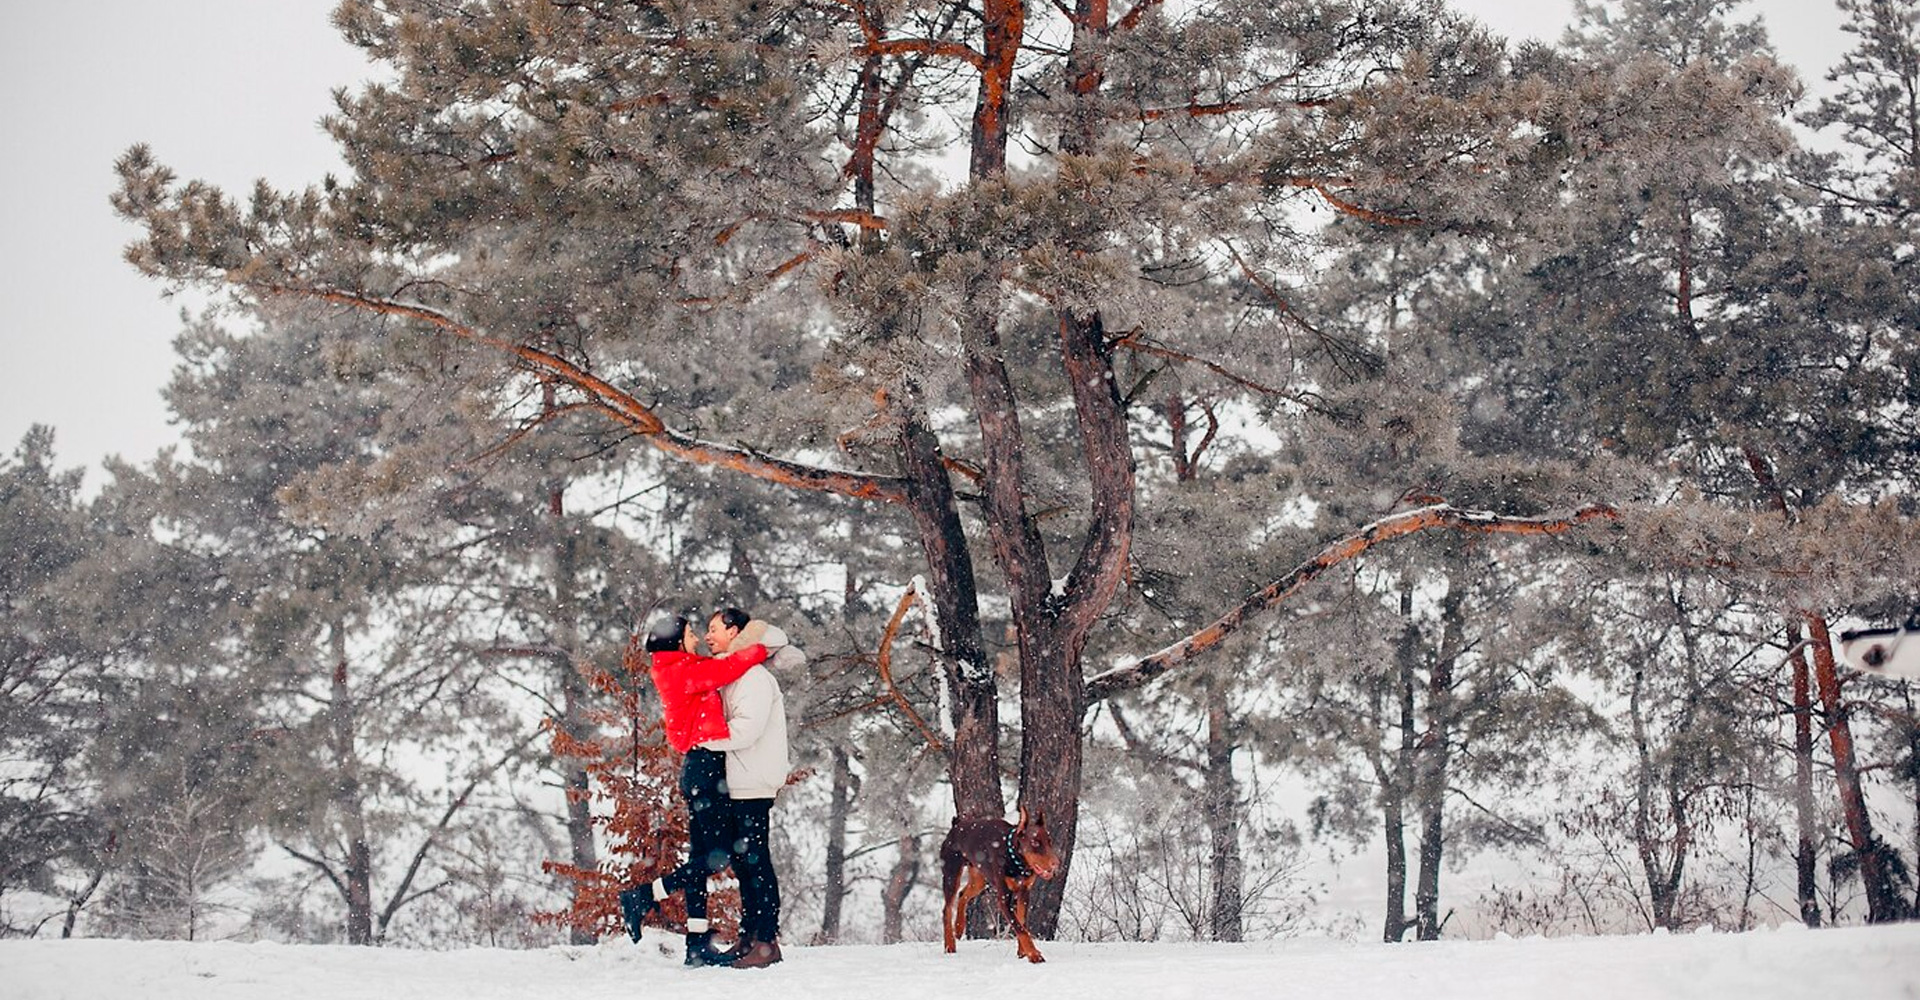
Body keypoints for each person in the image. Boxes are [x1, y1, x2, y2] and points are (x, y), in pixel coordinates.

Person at [618, 614, 768, 966]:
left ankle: (697, 944)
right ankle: (643, 896)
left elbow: (718, 667)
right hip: (704, 769)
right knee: (720, 856)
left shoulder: (682, 665)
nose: (697, 637)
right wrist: (762, 647)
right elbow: (726, 669)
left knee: (700, 858)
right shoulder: (679, 670)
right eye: (689, 633)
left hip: (702, 768)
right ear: (675, 642)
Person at [700, 608, 798, 969]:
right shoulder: (735, 674)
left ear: (735, 631)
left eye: (714, 630)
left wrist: (701, 740)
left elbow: (746, 730)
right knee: (744, 862)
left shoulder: (753, 678)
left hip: (753, 781)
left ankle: (766, 941)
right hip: (740, 781)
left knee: (756, 862)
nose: (708, 636)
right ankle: (750, 936)